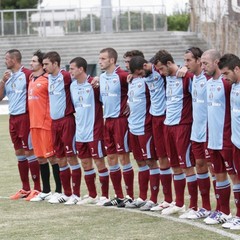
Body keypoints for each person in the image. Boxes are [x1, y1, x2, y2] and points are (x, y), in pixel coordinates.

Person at [152, 50, 198, 217]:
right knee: (175, 166)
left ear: (170, 63)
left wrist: (186, 69)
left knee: (187, 166)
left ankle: (193, 206)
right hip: (168, 126)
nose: (160, 72)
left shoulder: (186, 78)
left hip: (182, 126)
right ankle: (178, 203)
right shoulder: (166, 78)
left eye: (162, 68)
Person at [201, 49, 239, 225]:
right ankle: (223, 211)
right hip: (212, 138)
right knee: (219, 174)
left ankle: (238, 214)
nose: (203, 67)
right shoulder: (209, 82)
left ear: (216, 62)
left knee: (234, 176)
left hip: (227, 138)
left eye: (205, 63)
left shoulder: (227, 84)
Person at [0, 49, 41, 200]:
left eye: (6, 59)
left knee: (29, 152)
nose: (5, 61)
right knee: (19, 153)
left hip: (25, 117)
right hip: (13, 119)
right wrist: (3, 82)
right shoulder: (8, 77)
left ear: (14, 60)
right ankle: (25, 188)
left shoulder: (27, 74)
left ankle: (37, 189)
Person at [69, 57, 109, 205]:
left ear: (81, 69)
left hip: (95, 131)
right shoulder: (72, 86)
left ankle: (104, 196)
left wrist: (99, 81)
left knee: (99, 162)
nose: (70, 71)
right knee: (85, 163)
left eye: (72, 68)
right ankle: (92, 195)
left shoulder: (94, 84)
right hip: (80, 132)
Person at [42, 51, 81, 204]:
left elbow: (81, 78)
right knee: (60, 158)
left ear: (55, 64)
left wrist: (95, 80)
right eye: (43, 64)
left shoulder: (65, 76)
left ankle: (76, 195)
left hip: (66, 121)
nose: (44, 67)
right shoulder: (48, 78)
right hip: (54, 123)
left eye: (46, 64)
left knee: (71, 157)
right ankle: (66, 193)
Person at [98, 47, 134, 206]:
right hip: (108, 121)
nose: (100, 61)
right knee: (111, 157)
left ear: (112, 60)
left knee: (123, 157)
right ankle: (119, 195)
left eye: (103, 59)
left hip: (120, 121)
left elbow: (137, 88)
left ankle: (131, 196)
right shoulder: (101, 77)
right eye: (100, 58)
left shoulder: (123, 76)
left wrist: (130, 104)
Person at [125, 56, 161, 211]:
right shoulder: (131, 81)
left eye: (139, 73)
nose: (138, 76)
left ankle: (153, 199)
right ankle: (142, 197)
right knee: (140, 163)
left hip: (145, 128)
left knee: (151, 162)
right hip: (132, 127)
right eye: (136, 73)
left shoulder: (149, 80)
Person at [27, 50, 62, 202]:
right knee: (40, 158)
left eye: (34, 61)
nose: (31, 63)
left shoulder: (48, 79)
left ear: (42, 64)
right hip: (33, 124)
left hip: (45, 124)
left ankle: (59, 191)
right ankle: (46, 190)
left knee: (52, 158)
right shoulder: (30, 78)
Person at [182, 47, 213, 219]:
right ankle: (205, 207)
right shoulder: (192, 78)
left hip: (209, 131)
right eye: (184, 60)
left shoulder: (209, 79)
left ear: (199, 60)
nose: (185, 64)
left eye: (188, 60)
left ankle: (221, 209)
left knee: (215, 169)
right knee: (199, 165)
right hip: (196, 131)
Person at [217, 53, 240, 229]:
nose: (224, 78)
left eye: (226, 74)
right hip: (235, 141)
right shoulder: (233, 86)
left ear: (237, 69)